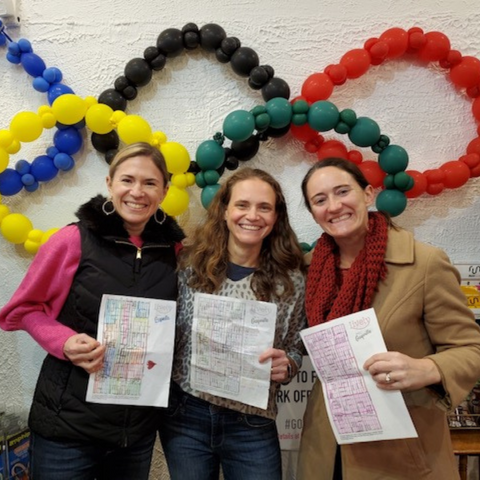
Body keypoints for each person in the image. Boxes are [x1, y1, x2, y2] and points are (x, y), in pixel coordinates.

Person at [0, 142, 185, 480]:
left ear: (165, 191)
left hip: (135, 434)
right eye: (127, 180)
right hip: (66, 428)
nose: (137, 192)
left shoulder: (174, 251)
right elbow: (22, 309)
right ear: (110, 183)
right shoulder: (72, 239)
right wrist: (63, 341)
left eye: (150, 183)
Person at [296, 157, 480, 480]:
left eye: (343, 192)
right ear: (312, 212)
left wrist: (427, 368)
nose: (334, 206)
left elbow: (471, 349)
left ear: (367, 195)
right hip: (327, 446)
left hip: (401, 452)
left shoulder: (424, 264)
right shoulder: (309, 268)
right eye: (320, 200)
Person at [158, 168, 306, 480]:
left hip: (252, 421)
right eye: (242, 205)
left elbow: (294, 347)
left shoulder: (291, 281)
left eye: (264, 207)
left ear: (276, 216)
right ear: (225, 211)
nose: (252, 215)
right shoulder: (186, 267)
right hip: (187, 415)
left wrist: (288, 366)